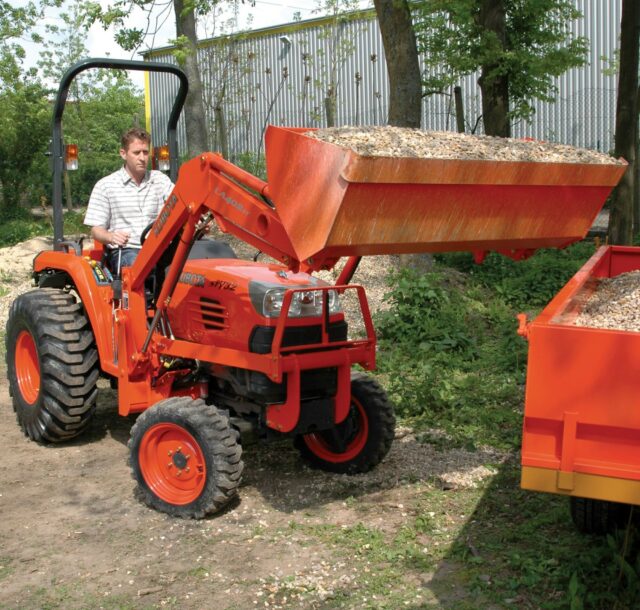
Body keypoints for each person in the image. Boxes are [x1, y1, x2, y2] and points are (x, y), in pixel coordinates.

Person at [84, 128, 174, 273]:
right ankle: (143, 295)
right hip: (127, 250)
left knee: (193, 265)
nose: (142, 158)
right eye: (136, 153)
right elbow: (96, 230)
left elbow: (180, 204)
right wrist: (111, 236)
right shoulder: (106, 186)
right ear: (123, 154)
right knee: (138, 267)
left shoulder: (160, 180)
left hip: (160, 247)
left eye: (145, 152)